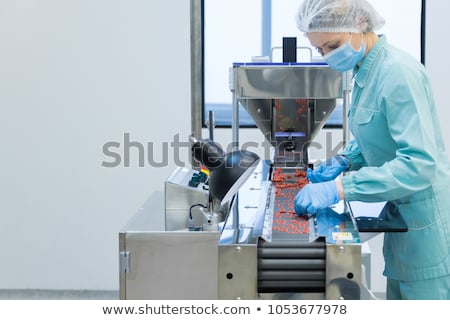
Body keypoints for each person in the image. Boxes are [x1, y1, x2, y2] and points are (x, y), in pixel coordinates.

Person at [293, 0, 450, 299]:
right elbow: (380, 134)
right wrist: (346, 159)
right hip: (405, 223)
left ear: (361, 22)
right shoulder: (366, 71)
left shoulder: (398, 73)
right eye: (320, 50)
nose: (327, 57)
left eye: (333, 45)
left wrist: (340, 188)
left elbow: (418, 163)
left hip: (428, 231)